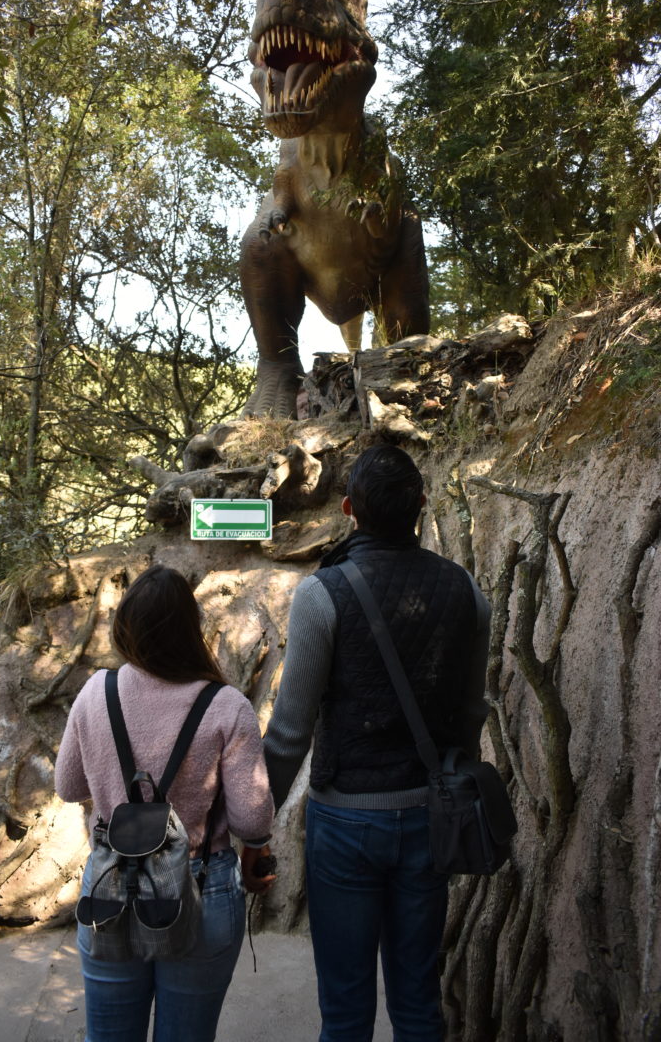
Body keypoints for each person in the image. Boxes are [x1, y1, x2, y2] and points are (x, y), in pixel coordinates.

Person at [263, 444, 491, 1042]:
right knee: (418, 1005)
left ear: (348, 509)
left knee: (345, 1012)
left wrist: (255, 825)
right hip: (428, 818)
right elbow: (471, 712)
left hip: (345, 822)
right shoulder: (465, 590)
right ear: (421, 505)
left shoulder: (323, 594)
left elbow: (288, 735)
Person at [55, 563, 275, 1042]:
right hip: (201, 886)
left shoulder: (96, 693)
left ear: (125, 628)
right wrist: (257, 848)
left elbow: (68, 786)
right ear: (190, 630)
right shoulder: (226, 704)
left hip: (111, 887)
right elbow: (251, 817)